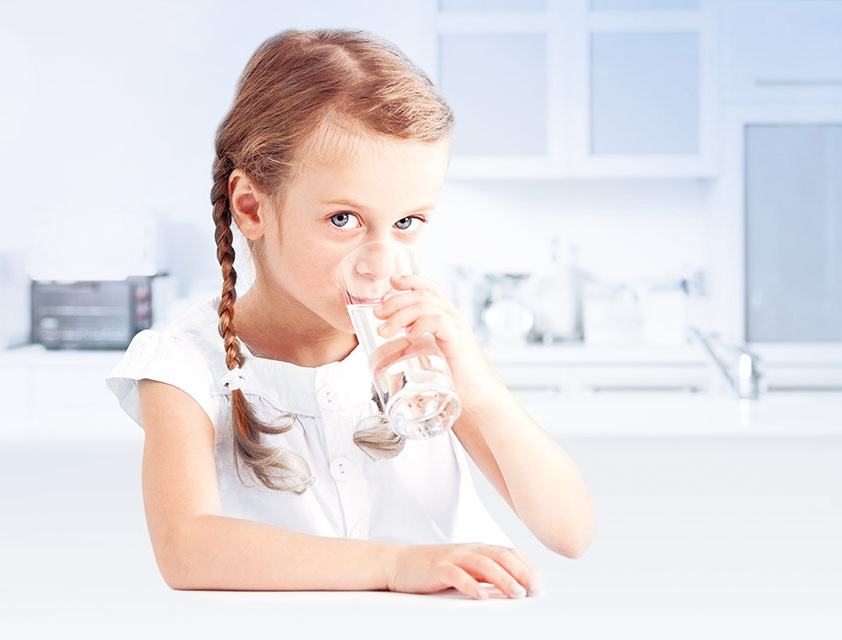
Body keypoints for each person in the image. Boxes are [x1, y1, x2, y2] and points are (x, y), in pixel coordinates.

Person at [105, 28, 594, 601]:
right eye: (344, 220)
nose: (379, 263)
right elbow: (187, 549)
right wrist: (396, 565)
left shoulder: (419, 352)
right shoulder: (185, 366)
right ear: (251, 206)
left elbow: (569, 532)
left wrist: (479, 384)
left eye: (407, 222)